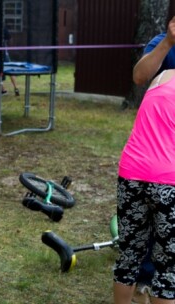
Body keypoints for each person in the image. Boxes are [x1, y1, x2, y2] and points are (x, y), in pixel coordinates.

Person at [124, 16, 175, 304]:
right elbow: (139, 77)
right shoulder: (162, 42)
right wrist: (168, 42)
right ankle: (145, 282)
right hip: (156, 155)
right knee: (148, 233)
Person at [113, 68, 175, 304]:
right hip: (169, 180)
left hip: (132, 173)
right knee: (168, 265)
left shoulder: (161, 76)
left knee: (129, 256)